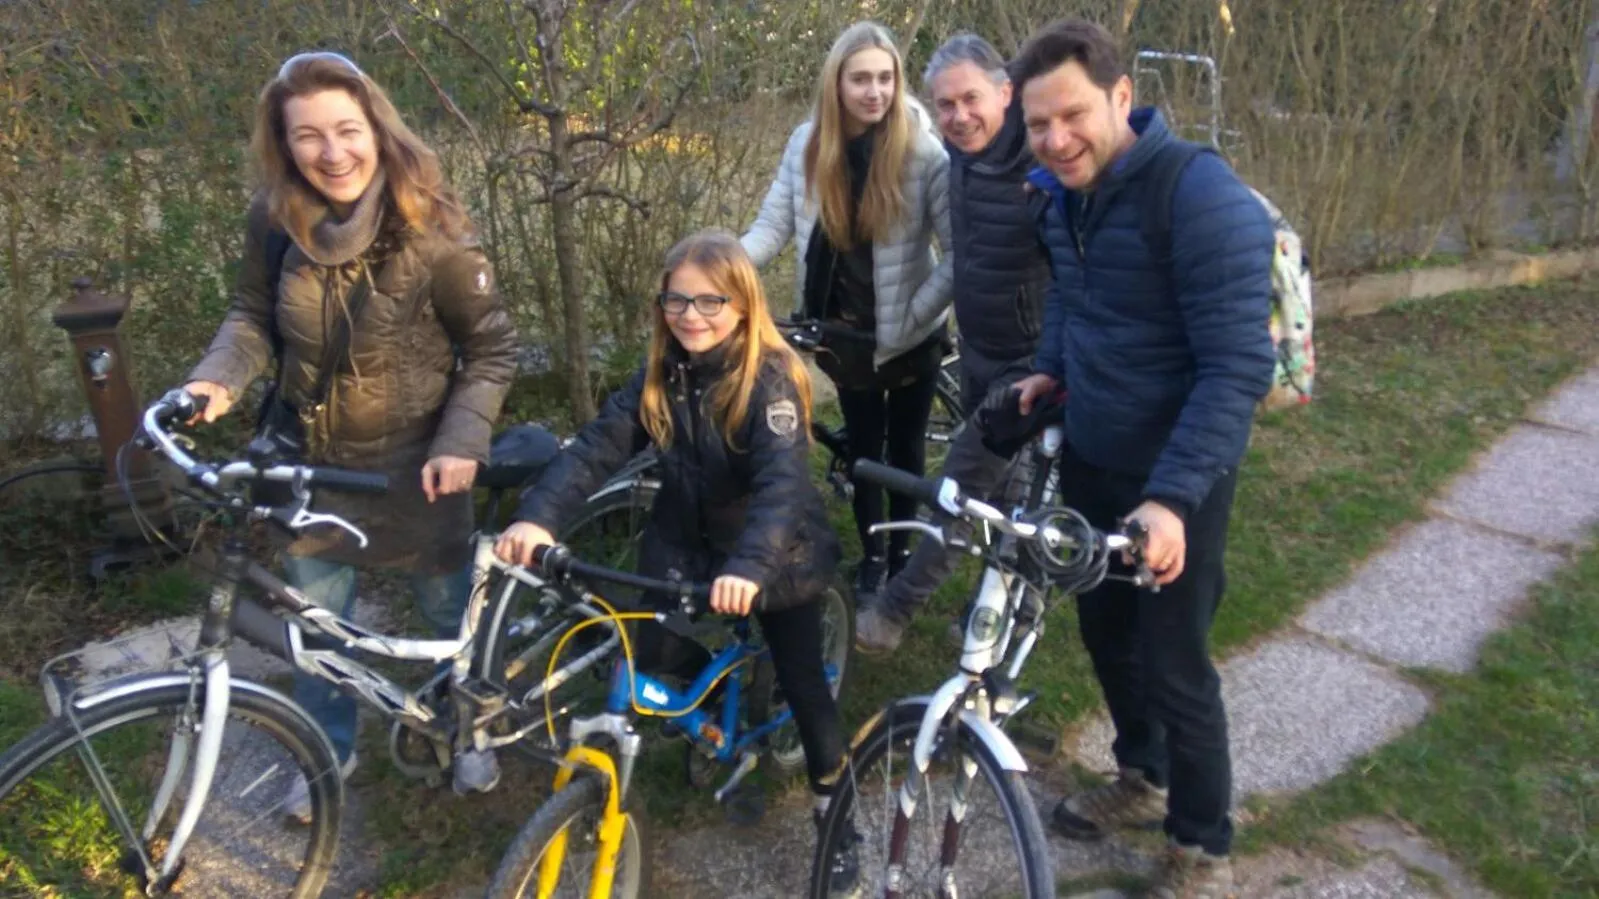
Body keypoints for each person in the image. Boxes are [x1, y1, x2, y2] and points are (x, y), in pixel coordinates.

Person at [183, 51, 519, 820]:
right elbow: (250, 317)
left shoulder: (435, 233)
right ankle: (327, 753)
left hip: (420, 468)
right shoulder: (275, 221)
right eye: (308, 136)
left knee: (445, 617)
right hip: (312, 463)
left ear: (377, 128)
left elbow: (493, 350)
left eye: (346, 130)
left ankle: (467, 726)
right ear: (283, 142)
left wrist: (460, 442)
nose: (331, 153)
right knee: (315, 630)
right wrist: (217, 377)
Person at [495, 229, 862, 898]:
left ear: (744, 305)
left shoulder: (769, 382)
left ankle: (837, 814)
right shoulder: (660, 374)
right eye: (675, 299)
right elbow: (596, 448)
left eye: (708, 301)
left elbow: (781, 487)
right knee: (645, 646)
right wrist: (536, 515)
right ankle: (710, 718)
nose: (690, 315)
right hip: (685, 543)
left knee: (806, 686)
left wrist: (750, 568)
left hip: (773, 553)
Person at [1006, 18, 1276, 899]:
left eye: (1072, 116)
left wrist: (1168, 500)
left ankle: (1203, 847)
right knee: (1107, 634)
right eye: (1038, 125)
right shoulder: (1063, 194)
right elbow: (1073, 302)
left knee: (1174, 657)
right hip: (1096, 454)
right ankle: (1143, 774)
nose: (1053, 140)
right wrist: (1050, 365)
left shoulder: (1198, 196)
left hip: (1178, 478)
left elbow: (1238, 365)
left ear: (1122, 97)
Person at [740, 20, 954, 605]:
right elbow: (773, 227)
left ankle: (905, 554)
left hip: (910, 332)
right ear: (837, 83)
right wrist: (719, 264)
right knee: (863, 448)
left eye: (885, 79)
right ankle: (874, 556)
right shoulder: (808, 145)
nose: (875, 92)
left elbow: (958, 254)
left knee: (906, 448)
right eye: (861, 79)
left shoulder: (922, 150)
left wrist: (916, 315)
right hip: (842, 330)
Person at [853, 32, 1054, 654]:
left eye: (972, 99)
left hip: (1030, 364)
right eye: (945, 105)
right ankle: (1016, 605)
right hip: (977, 349)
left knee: (958, 491)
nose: (959, 115)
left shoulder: (1044, 165)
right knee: (1009, 495)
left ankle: (891, 612)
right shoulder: (956, 155)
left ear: (1005, 92)